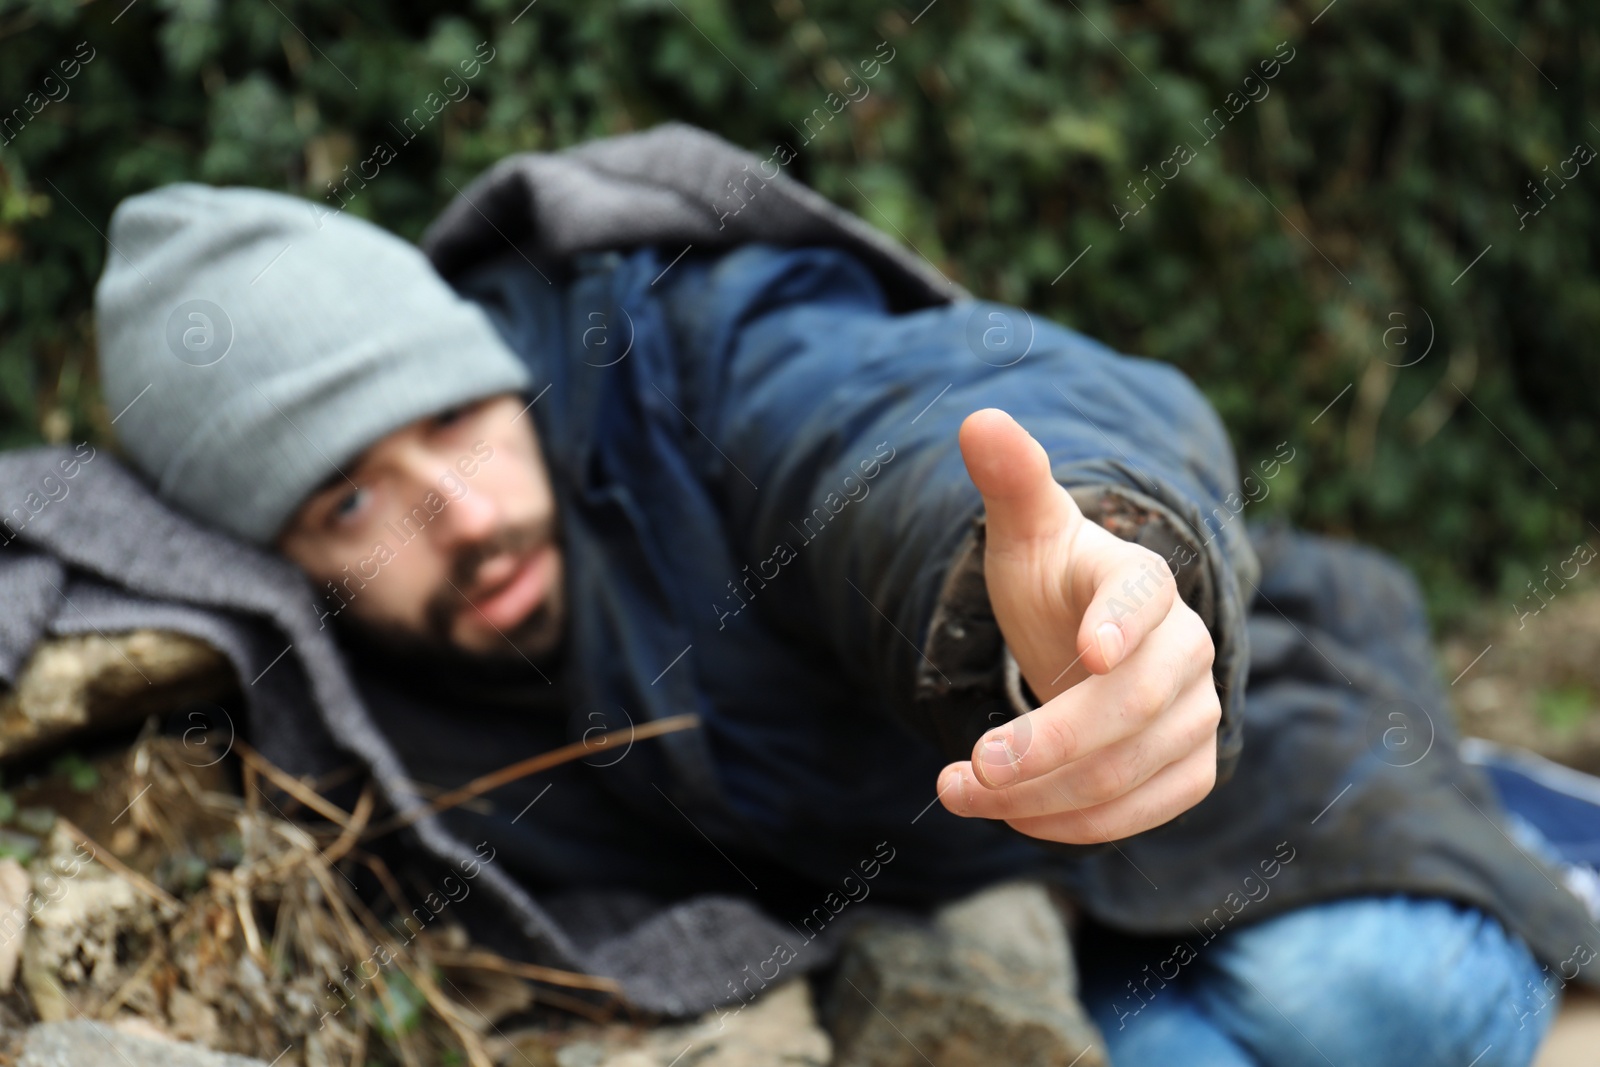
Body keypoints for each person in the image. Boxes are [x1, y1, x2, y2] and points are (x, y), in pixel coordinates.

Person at [87, 148, 1588, 1065]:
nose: (463, 518)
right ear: (273, 562)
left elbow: (893, 419)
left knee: (1366, 1005)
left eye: (456, 421)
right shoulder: (369, 713)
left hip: (1230, 778)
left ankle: (1507, 833)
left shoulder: (681, 340)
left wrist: (1075, 577)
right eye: (352, 502)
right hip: (1001, 935)